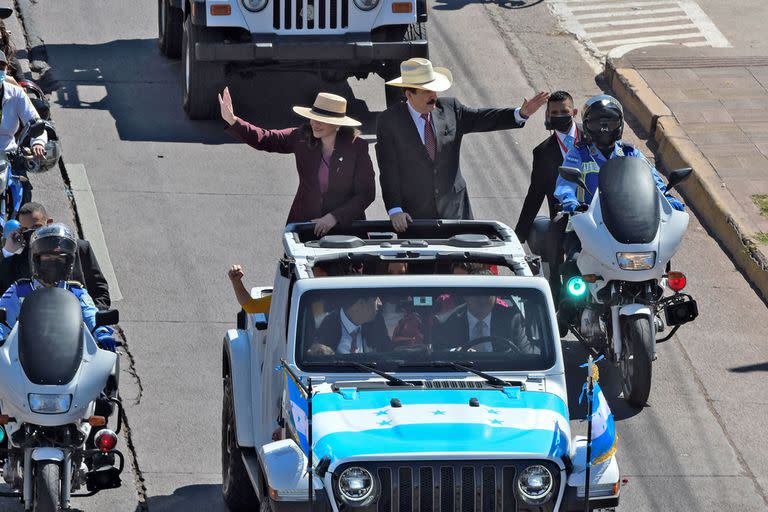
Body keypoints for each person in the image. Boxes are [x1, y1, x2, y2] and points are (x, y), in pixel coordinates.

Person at [376, 57, 549, 231]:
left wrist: (521, 114)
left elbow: (483, 118)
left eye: (435, 90)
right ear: (408, 94)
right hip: (415, 217)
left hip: (456, 211)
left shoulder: (450, 109)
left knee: (463, 258)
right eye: (427, 91)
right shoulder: (389, 121)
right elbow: (388, 170)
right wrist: (395, 209)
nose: (434, 96)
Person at [219, 88, 375, 236]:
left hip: (345, 229)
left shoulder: (357, 147)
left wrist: (334, 217)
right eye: (313, 118)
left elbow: (366, 194)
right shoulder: (301, 136)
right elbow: (266, 138)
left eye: (322, 120)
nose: (315, 123)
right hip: (305, 226)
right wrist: (233, 121)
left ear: (337, 124)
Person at [554, 94, 685, 257]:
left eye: (610, 122)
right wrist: (571, 202)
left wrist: (668, 198)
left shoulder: (631, 153)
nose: (604, 128)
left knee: (661, 257)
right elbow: (565, 184)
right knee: (573, 263)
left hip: (629, 223)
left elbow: (653, 179)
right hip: (588, 223)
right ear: (587, 126)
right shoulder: (578, 154)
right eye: (597, 122)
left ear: (620, 125)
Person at [0, 223, 116, 351]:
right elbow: (2, 318)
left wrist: (101, 333)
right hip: (24, 360)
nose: (53, 262)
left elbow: (90, 314)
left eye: (60, 259)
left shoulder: (77, 292)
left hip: (70, 357)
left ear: (69, 263)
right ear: (37, 260)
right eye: (48, 257)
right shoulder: (19, 291)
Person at [0, 202, 111, 309]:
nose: (32, 234)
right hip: (34, 324)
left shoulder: (80, 248)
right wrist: (7, 252)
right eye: (25, 230)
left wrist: (94, 318)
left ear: (49, 222)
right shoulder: (18, 258)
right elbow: (4, 292)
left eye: (36, 227)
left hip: (75, 322)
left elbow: (100, 291)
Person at [514, 90, 581, 243]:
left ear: (574, 112)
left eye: (564, 111)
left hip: (596, 220)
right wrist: (519, 236)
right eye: (555, 112)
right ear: (548, 115)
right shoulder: (542, 153)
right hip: (563, 226)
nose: (559, 115)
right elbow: (535, 195)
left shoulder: (592, 138)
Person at [311, 293, 389, 354]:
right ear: (361, 303)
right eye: (375, 298)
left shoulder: (377, 322)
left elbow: (387, 354)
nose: (380, 303)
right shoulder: (323, 325)